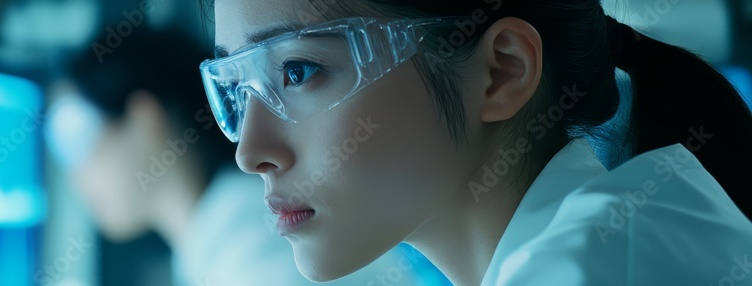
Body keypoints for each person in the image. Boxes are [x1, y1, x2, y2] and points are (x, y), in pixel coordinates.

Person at [198, 0, 752, 285]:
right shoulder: (615, 241)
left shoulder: (583, 271)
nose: (251, 150)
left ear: (502, 72)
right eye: (236, 90)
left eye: (297, 71)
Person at [45, 27, 437, 285]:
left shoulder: (252, 237)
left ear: (145, 118)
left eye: (76, 141)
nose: (76, 176)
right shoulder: (220, 236)